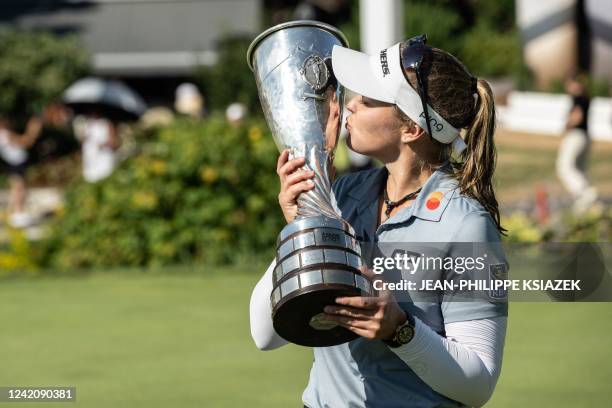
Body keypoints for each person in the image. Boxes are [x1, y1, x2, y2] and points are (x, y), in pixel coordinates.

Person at [250, 35, 508, 407]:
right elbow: (265, 333)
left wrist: (399, 330)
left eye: (368, 100)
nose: (350, 106)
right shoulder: (341, 196)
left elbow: (478, 384)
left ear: (412, 129)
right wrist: (302, 222)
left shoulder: (466, 224)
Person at [556, 75, 597, 214]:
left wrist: (566, 125)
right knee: (580, 169)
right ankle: (584, 207)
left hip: (575, 135)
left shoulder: (577, 98)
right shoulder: (587, 97)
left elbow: (577, 116)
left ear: (575, 84)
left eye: (569, 84)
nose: (567, 88)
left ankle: (585, 193)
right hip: (585, 137)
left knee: (564, 166)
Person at [0, 115, 43, 228]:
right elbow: (26, 142)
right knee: (19, 189)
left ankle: (16, 213)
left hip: (14, 164)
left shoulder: (4, 134)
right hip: (16, 164)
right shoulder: (5, 134)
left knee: (18, 188)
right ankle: (17, 214)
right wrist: (33, 130)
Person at [74, 112, 120, 183]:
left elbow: (113, 142)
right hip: (91, 157)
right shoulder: (86, 123)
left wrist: (102, 145)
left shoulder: (106, 123)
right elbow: (82, 141)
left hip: (103, 156)